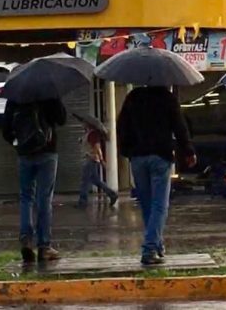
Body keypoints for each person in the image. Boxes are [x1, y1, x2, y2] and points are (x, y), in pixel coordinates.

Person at [117, 86, 196, 265]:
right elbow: (179, 126)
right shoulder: (166, 97)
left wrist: (128, 151)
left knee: (147, 204)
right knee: (159, 205)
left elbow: (122, 126)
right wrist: (188, 150)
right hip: (160, 156)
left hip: (138, 158)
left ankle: (157, 245)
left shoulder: (133, 97)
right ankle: (150, 249)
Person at [3, 98, 66, 264]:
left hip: (24, 154)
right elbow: (61, 119)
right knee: (44, 199)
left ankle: (26, 240)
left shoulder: (16, 96)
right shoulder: (48, 93)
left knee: (26, 197)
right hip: (47, 152)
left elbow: (6, 131)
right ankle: (44, 246)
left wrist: (18, 144)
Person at [77, 123, 118, 208]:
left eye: (84, 124)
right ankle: (112, 194)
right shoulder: (88, 134)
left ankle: (82, 202)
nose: (82, 125)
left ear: (89, 125)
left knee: (84, 181)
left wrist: (101, 159)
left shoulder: (93, 134)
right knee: (96, 181)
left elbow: (97, 147)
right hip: (89, 159)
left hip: (90, 160)